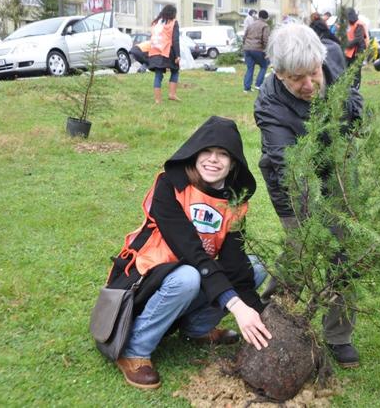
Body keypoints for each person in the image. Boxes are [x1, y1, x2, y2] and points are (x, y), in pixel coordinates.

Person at [104, 116, 272, 389]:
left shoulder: (234, 203)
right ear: (194, 153)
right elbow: (192, 253)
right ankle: (134, 349)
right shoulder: (170, 185)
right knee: (188, 276)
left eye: (223, 155)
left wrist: (259, 314)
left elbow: (235, 265)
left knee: (255, 266)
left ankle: (196, 329)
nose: (213, 160)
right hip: (144, 282)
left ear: (233, 164)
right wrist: (235, 305)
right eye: (207, 151)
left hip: (191, 275)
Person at [253, 23, 364, 368]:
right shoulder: (269, 103)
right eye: (297, 79)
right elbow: (289, 165)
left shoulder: (330, 57)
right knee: (302, 245)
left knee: (345, 250)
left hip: (339, 172)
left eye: (313, 73)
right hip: (291, 179)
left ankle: (338, 336)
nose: (309, 85)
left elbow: (353, 96)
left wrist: (353, 112)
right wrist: (306, 214)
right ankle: (272, 314)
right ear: (279, 73)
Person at [148, 5, 180, 104]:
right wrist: (177, 55)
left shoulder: (155, 23)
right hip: (166, 51)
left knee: (158, 74)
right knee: (175, 70)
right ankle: (172, 94)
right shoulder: (173, 23)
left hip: (154, 51)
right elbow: (175, 40)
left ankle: (158, 100)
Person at [242, 9, 270, 93]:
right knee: (264, 66)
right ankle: (258, 84)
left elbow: (244, 36)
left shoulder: (251, 25)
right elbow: (265, 40)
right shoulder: (265, 26)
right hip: (258, 49)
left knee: (250, 68)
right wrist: (266, 51)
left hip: (247, 48)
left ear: (259, 16)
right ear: (266, 17)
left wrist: (245, 46)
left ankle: (247, 88)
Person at [343, 8, 369, 90]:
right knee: (346, 70)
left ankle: (355, 88)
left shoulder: (359, 24)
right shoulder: (350, 24)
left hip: (358, 51)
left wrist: (346, 44)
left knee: (356, 72)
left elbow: (358, 39)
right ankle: (347, 87)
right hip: (349, 52)